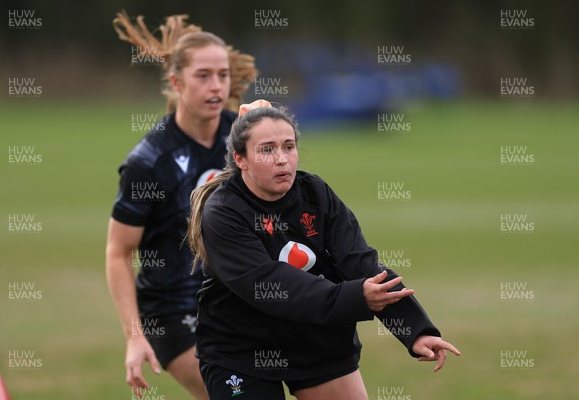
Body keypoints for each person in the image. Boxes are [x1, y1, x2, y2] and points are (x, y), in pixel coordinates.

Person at [187, 101, 460, 400]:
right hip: (241, 352)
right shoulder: (224, 211)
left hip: (317, 342)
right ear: (241, 158)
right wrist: (356, 297)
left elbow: (361, 263)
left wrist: (415, 329)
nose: (282, 159)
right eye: (266, 149)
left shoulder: (316, 193)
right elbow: (269, 283)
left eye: (289, 147)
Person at [105, 12, 256, 399]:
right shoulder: (149, 162)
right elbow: (119, 253)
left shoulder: (245, 138)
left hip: (238, 300)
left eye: (222, 74)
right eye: (203, 75)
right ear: (176, 82)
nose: (217, 85)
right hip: (173, 315)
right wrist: (134, 337)